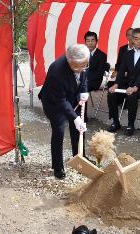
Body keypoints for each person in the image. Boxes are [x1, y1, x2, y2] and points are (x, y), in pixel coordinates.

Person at [38, 44, 89, 179]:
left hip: (72, 98)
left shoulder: (83, 61)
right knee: (59, 131)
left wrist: (84, 90)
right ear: (68, 60)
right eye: (76, 67)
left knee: (78, 130)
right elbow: (61, 100)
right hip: (54, 103)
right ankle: (58, 166)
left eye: (83, 66)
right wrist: (75, 118)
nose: (80, 70)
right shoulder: (56, 71)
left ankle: (80, 158)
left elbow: (84, 75)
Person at [107, 28, 140, 136]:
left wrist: (135, 87)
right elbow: (122, 70)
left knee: (132, 96)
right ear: (132, 39)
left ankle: (130, 125)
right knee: (111, 93)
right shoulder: (127, 54)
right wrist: (116, 84)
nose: (138, 41)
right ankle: (115, 122)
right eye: (136, 38)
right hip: (127, 84)